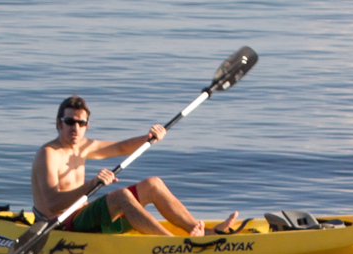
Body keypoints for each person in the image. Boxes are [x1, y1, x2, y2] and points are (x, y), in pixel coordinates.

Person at [32, 95, 238, 237]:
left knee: (153, 184)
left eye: (81, 123)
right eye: (69, 122)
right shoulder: (49, 154)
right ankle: (173, 245)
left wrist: (148, 138)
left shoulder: (82, 146)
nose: (75, 128)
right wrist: (93, 183)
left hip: (83, 219)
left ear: (87, 125)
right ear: (58, 123)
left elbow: (120, 147)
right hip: (59, 226)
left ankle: (202, 231)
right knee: (121, 196)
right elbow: (52, 204)